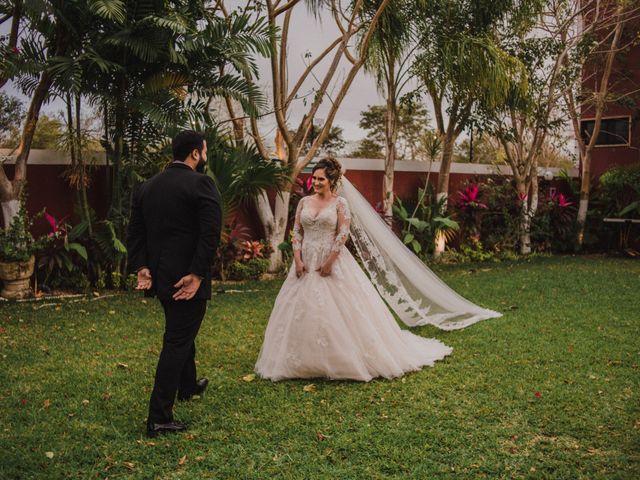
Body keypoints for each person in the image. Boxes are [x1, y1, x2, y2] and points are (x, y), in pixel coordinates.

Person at [255, 158, 455, 381]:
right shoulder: (304, 202)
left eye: (321, 179)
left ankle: (339, 358)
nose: (316, 182)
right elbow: (297, 232)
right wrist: (298, 259)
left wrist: (330, 261)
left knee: (339, 309)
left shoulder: (340, 203)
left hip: (332, 259)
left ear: (332, 180)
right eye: (315, 178)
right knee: (299, 308)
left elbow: (343, 233)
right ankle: (302, 359)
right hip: (305, 262)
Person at [127, 130, 222, 437]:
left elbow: (135, 233)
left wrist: (142, 267)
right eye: (204, 151)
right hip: (186, 279)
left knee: (182, 331)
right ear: (196, 153)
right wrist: (197, 274)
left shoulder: (147, 186)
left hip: (160, 277)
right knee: (178, 340)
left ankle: (189, 385)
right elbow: (210, 234)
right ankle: (159, 417)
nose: (204, 156)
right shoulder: (201, 183)